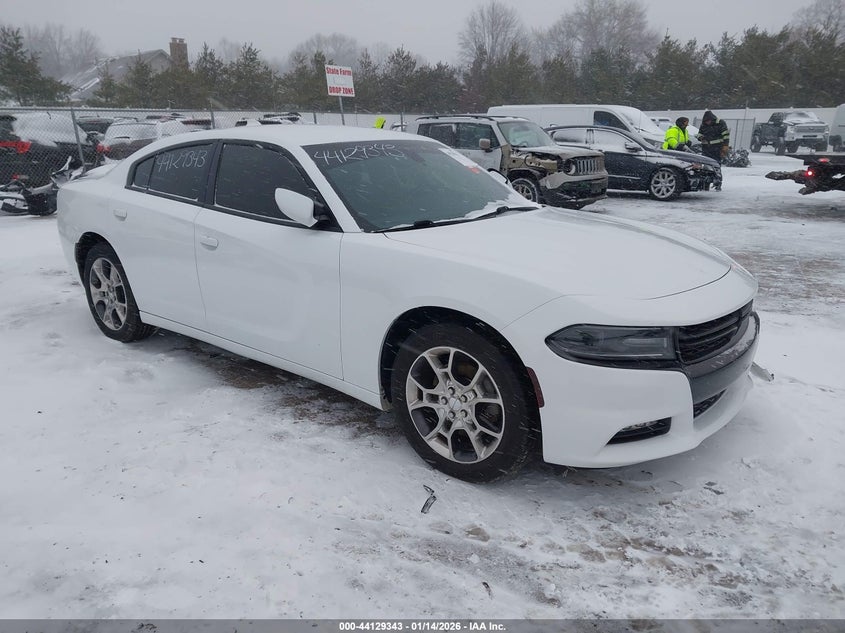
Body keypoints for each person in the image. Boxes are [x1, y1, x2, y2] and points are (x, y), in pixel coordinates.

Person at [697, 110, 730, 190]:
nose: (707, 122)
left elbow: (725, 135)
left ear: (712, 119)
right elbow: (699, 133)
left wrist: (725, 146)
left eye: (708, 121)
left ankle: (717, 184)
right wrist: (700, 137)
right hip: (706, 149)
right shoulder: (703, 125)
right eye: (706, 121)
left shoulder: (721, 123)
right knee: (704, 167)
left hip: (717, 149)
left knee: (716, 166)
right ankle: (705, 184)